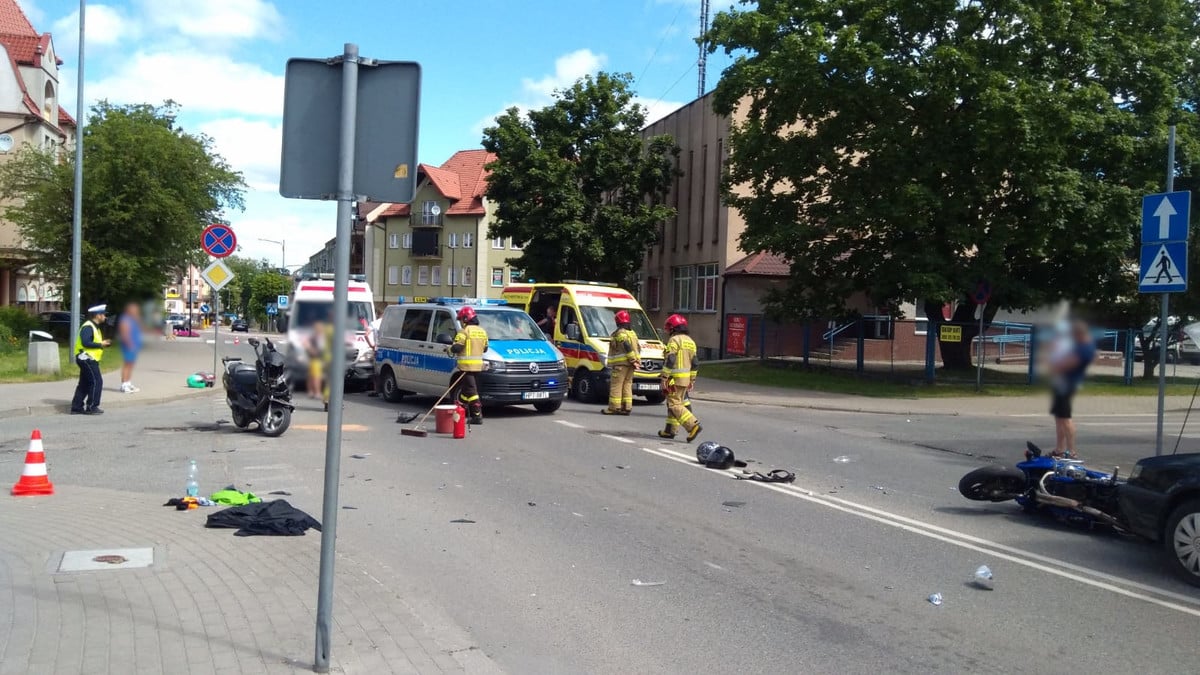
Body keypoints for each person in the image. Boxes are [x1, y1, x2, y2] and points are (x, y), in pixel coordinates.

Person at [1049, 320, 1096, 458]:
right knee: (1059, 417)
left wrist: (1055, 364)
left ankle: (1071, 451)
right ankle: (1059, 449)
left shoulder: (1084, 348)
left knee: (1065, 418)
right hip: (1062, 383)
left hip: (1067, 384)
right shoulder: (1081, 346)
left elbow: (1067, 365)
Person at [658, 314, 702, 442]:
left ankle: (693, 425)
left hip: (673, 378)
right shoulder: (691, 342)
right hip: (685, 379)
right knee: (676, 403)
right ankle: (670, 430)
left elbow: (671, 359)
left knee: (674, 404)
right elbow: (695, 363)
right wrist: (692, 380)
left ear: (673, 328)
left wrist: (664, 377)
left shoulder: (674, 340)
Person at [449, 305, 488, 425]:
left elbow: (457, 347)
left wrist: (449, 349)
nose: (460, 322)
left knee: (472, 392)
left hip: (466, 367)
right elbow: (485, 348)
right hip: (477, 367)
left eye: (461, 319)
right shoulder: (482, 331)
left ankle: (477, 415)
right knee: (466, 391)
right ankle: (460, 409)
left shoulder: (464, 332)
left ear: (466, 319)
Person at [71, 304, 111, 415]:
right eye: (103, 314)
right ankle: (92, 406)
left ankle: (76, 407)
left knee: (84, 383)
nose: (105, 317)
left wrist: (102, 344)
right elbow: (86, 342)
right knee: (96, 381)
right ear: (97, 315)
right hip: (86, 358)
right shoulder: (88, 326)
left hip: (88, 358)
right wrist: (100, 344)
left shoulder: (94, 327)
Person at [602, 310, 641, 415]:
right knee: (627, 385)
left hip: (621, 365)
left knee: (616, 385)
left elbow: (626, 345)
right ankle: (626, 407)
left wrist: (632, 359)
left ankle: (614, 408)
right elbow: (638, 347)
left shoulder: (620, 332)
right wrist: (635, 361)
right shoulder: (632, 333)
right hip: (631, 365)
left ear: (618, 321)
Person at [118, 302, 143, 393]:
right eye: (134, 310)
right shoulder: (125, 319)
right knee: (127, 364)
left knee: (131, 364)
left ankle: (128, 383)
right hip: (128, 345)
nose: (136, 311)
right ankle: (124, 384)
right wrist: (129, 344)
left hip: (135, 345)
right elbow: (124, 333)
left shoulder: (133, 319)